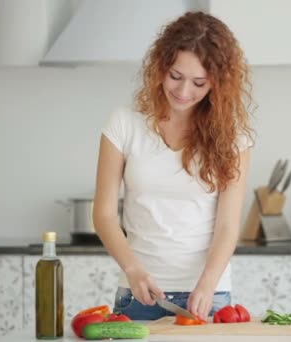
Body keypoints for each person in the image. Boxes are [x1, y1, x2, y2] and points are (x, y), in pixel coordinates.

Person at [92, 11, 254, 321]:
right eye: (176, 76)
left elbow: (228, 226)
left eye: (198, 83)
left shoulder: (233, 138)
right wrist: (132, 269)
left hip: (208, 295)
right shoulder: (124, 124)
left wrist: (207, 284)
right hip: (139, 293)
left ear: (217, 84)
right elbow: (103, 214)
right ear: (161, 67)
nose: (183, 91)